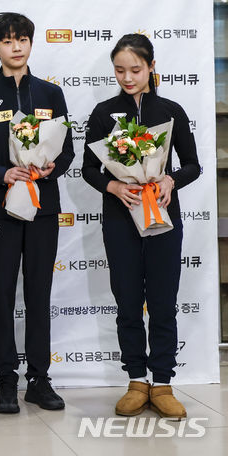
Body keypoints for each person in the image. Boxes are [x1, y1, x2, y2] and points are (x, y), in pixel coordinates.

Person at [82, 33, 200, 419]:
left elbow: (192, 165)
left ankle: (163, 382)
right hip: (120, 220)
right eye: (119, 70)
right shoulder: (103, 112)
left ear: (151, 67)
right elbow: (88, 169)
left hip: (164, 219)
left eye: (135, 69)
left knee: (164, 303)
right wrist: (114, 185)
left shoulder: (171, 110)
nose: (127, 77)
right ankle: (136, 380)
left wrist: (170, 180)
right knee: (128, 303)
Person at [0, 12, 74, 414]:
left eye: (23, 39)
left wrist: (50, 168)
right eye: (8, 41)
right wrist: (2, 172)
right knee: (3, 294)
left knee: (39, 295)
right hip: (2, 210)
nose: (17, 46)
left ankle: (39, 379)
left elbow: (67, 150)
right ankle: (6, 380)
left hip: (44, 210)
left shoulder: (50, 94)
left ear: (31, 44)